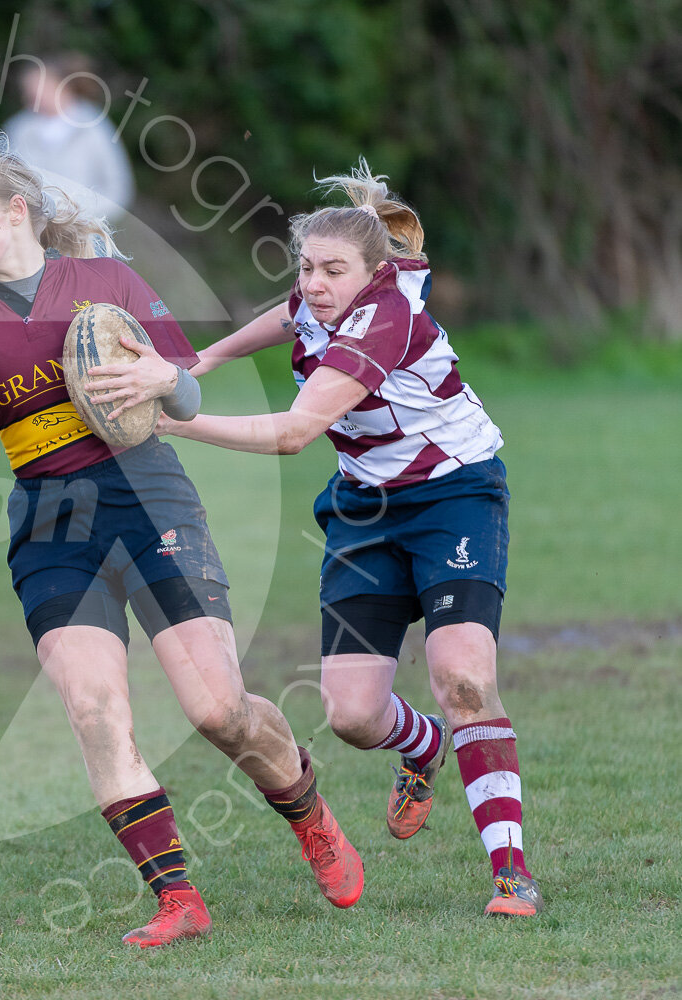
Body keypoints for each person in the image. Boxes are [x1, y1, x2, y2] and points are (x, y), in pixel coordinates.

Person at [0, 131, 363, 947]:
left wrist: (170, 378)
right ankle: (177, 901)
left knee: (219, 711)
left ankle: (308, 811)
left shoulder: (106, 283)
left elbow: (186, 403)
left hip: (148, 496)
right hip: (50, 523)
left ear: (15, 211)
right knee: (94, 708)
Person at [150, 160, 542, 917]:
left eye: (334, 270)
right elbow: (289, 312)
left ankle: (511, 871)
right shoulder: (318, 300)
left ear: (374, 275)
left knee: (462, 675)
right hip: (364, 510)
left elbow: (296, 431)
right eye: (307, 267)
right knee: (353, 718)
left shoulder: (385, 318)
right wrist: (205, 360)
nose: (317, 282)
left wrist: (173, 419)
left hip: (455, 496)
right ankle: (424, 748)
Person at [4, 54, 134, 221]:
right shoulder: (18, 129)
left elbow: (118, 187)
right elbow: (7, 181)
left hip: (84, 231)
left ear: (64, 86)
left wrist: (81, 215)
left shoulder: (94, 127)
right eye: (29, 90)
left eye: (42, 87)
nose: (34, 95)